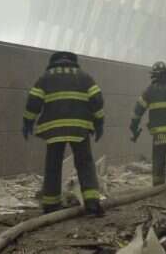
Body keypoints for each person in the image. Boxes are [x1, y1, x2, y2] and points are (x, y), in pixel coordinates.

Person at [22, 51, 105, 216]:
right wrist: (99, 123)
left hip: (54, 129)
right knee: (85, 163)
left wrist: (27, 122)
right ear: (73, 62)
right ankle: (92, 204)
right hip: (79, 128)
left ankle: (51, 205)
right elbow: (97, 101)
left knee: (53, 165)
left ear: (53, 62)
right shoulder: (85, 77)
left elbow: (33, 103)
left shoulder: (45, 78)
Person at [129, 62, 166, 186]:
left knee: (158, 158)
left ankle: (158, 184)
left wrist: (133, 127)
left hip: (159, 133)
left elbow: (138, 111)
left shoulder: (150, 90)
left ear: (155, 75)